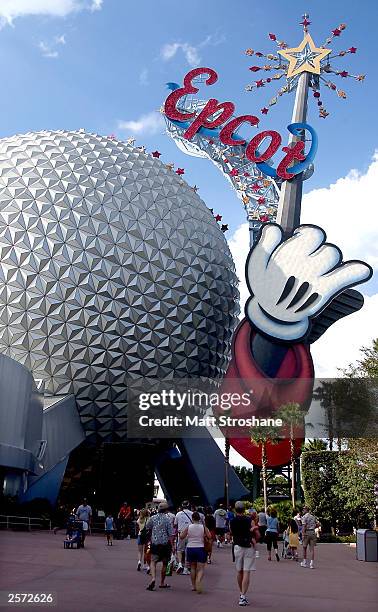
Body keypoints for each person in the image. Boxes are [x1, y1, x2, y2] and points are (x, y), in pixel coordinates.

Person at [230, 501, 260, 607]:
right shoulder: (250, 521)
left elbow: (231, 534)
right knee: (247, 571)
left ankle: (241, 593)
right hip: (248, 547)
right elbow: (258, 536)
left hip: (237, 546)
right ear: (244, 509)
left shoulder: (232, 521)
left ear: (235, 509)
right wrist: (254, 529)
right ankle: (243, 595)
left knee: (239, 571)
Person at [179, 511, 211, 593]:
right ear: (199, 519)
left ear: (192, 518)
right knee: (200, 568)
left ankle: (193, 585)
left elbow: (182, 536)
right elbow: (209, 536)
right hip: (200, 548)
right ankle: (199, 580)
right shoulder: (203, 527)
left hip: (190, 547)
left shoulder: (189, 527)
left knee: (192, 567)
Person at [145, 502, 173, 591]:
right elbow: (170, 533)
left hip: (155, 543)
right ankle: (162, 582)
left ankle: (153, 578)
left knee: (153, 562)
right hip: (165, 544)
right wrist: (172, 545)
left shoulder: (152, 518)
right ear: (166, 510)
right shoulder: (168, 519)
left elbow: (147, 526)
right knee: (165, 563)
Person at [174, 501, 193, 575]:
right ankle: (186, 568)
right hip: (189, 533)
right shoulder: (192, 513)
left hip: (181, 533)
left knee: (179, 550)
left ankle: (179, 564)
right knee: (187, 550)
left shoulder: (178, 514)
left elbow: (175, 524)